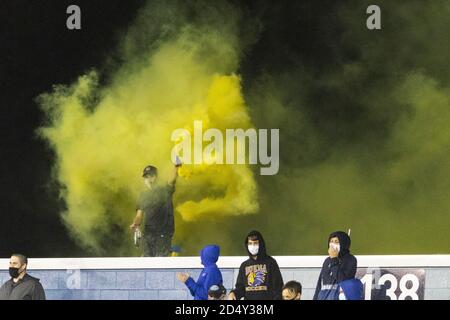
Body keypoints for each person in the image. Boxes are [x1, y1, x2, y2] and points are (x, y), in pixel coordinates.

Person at [130, 159, 181, 257]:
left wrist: (176, 167)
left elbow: (172, 180)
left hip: (163, 234)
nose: (148, 179)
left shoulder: (164, 190)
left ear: (156, 177)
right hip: (148, 235)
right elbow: (139, 215)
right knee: (146, 261)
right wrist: (135, 224)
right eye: (146, 177)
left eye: (151, 176)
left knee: (160, 262)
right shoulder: (143, 196)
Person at [228, 230, 283, 300]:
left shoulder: (271, 262)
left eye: (255, 243)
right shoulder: (244, 265)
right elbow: (240, 288)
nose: (252, 246)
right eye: (250, 243)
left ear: (261, 244)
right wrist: (233, 293)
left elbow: (278, 287)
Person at [313, 231, 357, 300]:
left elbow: (344, 282)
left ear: (343, 243)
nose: (333, 244)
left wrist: (334, 259)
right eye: (331, 241)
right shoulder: (327, 261)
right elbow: (320, 285)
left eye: (336, 242)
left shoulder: (350, 260)